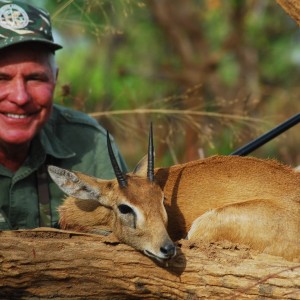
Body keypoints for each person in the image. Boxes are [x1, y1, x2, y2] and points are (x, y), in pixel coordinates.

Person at [0, 1, 127, 230]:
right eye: (1, 78)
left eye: (35, 78)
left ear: (55, 79)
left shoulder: (90, 145)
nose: (20, 97)